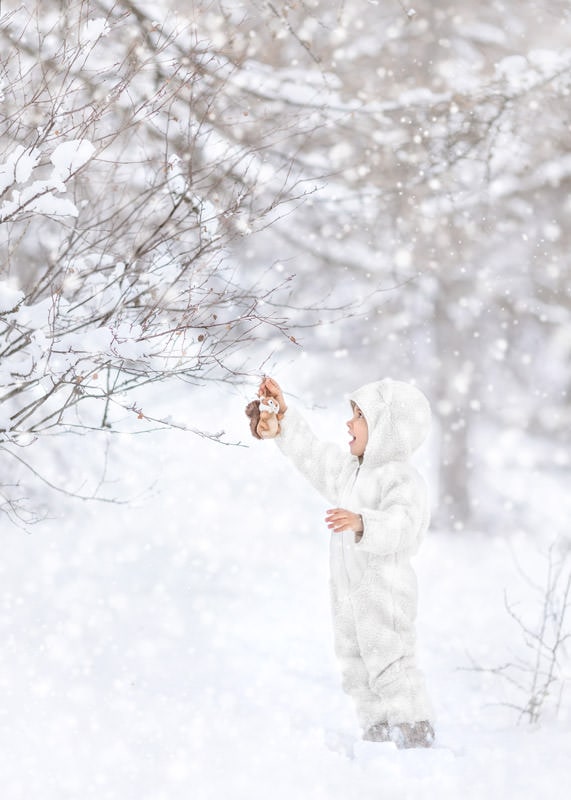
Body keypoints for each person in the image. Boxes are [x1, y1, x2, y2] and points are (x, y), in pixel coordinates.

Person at [259, 375, 435, 749]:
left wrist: (363, 522)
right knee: (355, 665)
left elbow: (404, 525)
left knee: (390, 663)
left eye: (358, 416)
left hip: (384, 591)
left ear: (386, 429)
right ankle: (378, 733)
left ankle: (413, 733)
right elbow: (314, 457)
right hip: (348, 592)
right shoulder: (351, 473)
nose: (348, 423)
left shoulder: (402, 479)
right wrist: (284, 419)